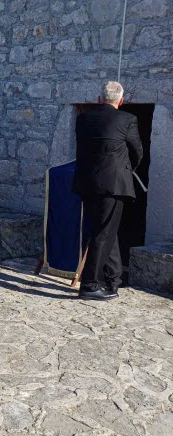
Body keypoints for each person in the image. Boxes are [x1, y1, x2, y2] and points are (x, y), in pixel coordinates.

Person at [73, 81, 143, 301]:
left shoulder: (82, 119)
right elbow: (137, 153)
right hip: (113, 184)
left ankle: (113, 280)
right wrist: (124, 170)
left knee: (105, 232)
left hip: (87, 183)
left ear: (99, 99)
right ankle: (89, 285)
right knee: (102, 234)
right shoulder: (127, 119)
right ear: (121, 101)